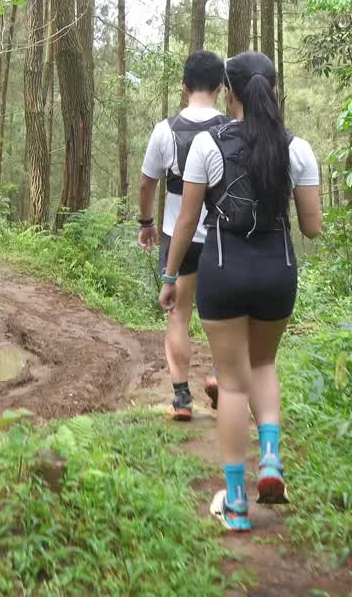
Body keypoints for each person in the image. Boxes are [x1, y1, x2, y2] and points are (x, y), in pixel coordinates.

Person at [157, 51, 323, 532]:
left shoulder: (207, 146)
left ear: (230, 94)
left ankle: (234, 501)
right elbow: (311, 228)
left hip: (223, 270)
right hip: (278, 271)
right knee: (264, 363)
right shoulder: (297, 149)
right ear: (272, 91)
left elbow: (186, 221)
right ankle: (270, 460)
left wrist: (171, 279)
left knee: (230, 382)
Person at [137, 50, 231, 421]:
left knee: (178, 316)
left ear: (183, 86)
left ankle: (180, 399)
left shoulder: (166, 130)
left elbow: (147, 183)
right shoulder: (231, 128)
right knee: (222, 317)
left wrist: (146, 222)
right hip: (222, 237)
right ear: (222, 88)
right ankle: (219, 376)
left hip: (178, 236)